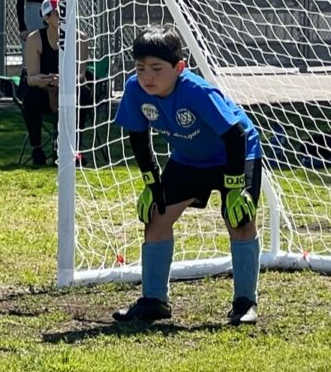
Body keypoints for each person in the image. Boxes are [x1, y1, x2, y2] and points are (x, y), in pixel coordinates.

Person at [113, 26, 263, 326]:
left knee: (239, 219)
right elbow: (138, 137)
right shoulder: (134, 89)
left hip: (236, 154)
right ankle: (155, 300)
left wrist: (234, 188)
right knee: (157, 217)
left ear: (179, 68)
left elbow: (234, 134)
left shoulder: (196, 91)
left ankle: (245, 303)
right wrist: (151, 182)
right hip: (189, 160)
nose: (148, 77)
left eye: (157, 68)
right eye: (141, 68)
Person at [20, 0, 89, 166]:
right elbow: (31, 77)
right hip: (44, 89)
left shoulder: (79, 37)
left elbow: (81, 74)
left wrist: (65, 80)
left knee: (83, 94)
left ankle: (75, 148)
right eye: (59, 13)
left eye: (67, 12)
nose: (64, 16)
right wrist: (44, 80)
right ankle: (37, 149)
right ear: (47, 17)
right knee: (31, 97)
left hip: (69, 88)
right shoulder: (35, 39)